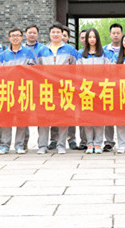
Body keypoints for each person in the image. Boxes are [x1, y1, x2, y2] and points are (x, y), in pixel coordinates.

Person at [35, 24, 79, 154]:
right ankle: (42, 145)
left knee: (63, 117)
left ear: (62, 34)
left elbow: (76, 69)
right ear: (49, 34)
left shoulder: (70, 50)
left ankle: (61, 145)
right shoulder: (42, 50)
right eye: (53, 32)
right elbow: (37, 70)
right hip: (46, 88)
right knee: (44, 118)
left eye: (58, 32)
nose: (55, 34)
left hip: (64, 88)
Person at [0, 28, 37, 154]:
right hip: (7, 90)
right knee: (6, 118)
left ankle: (20, 145)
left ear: (21, 37)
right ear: (9, 38)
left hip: (23, 89)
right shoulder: (3, 54)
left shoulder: (28, 52)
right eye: (12, 36)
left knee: (22, 118)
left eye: (17, 35)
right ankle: (5, 145)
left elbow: (33, 69)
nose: (15, 38)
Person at [77, 28, 111, 154]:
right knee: (88, 118)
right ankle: (89, 143)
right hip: (86, 90)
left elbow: (109, 70)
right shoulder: (81, 54)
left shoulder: (103, 53)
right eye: (89, 37)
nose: (92, 39)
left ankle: (98, 143)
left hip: (100, 90)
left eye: (94, 37)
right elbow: (77, 72)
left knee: (99, 119)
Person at [102, 23, 124, 152]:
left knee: (122, 115)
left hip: (123, 87)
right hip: (108, 86)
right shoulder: (103, 50)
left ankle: (123, 142)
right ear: (110, 35)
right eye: (113, 33)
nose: (116, 35)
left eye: (118, 33)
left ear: (121, 34)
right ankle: (109, 142)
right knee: (108, 115)